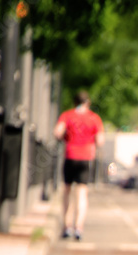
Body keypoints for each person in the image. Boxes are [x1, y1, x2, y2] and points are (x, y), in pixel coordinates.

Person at [54, 90, 104, 241]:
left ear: (74, 102)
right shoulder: (94, 118)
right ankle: (79, 227)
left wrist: (66, 138)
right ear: (87, 102)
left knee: (67, 190)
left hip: (70, 156)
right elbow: (100, 141)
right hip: (86, 158)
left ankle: (67, 226)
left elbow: (57, 132)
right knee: (82, 193)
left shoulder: (67, 115)